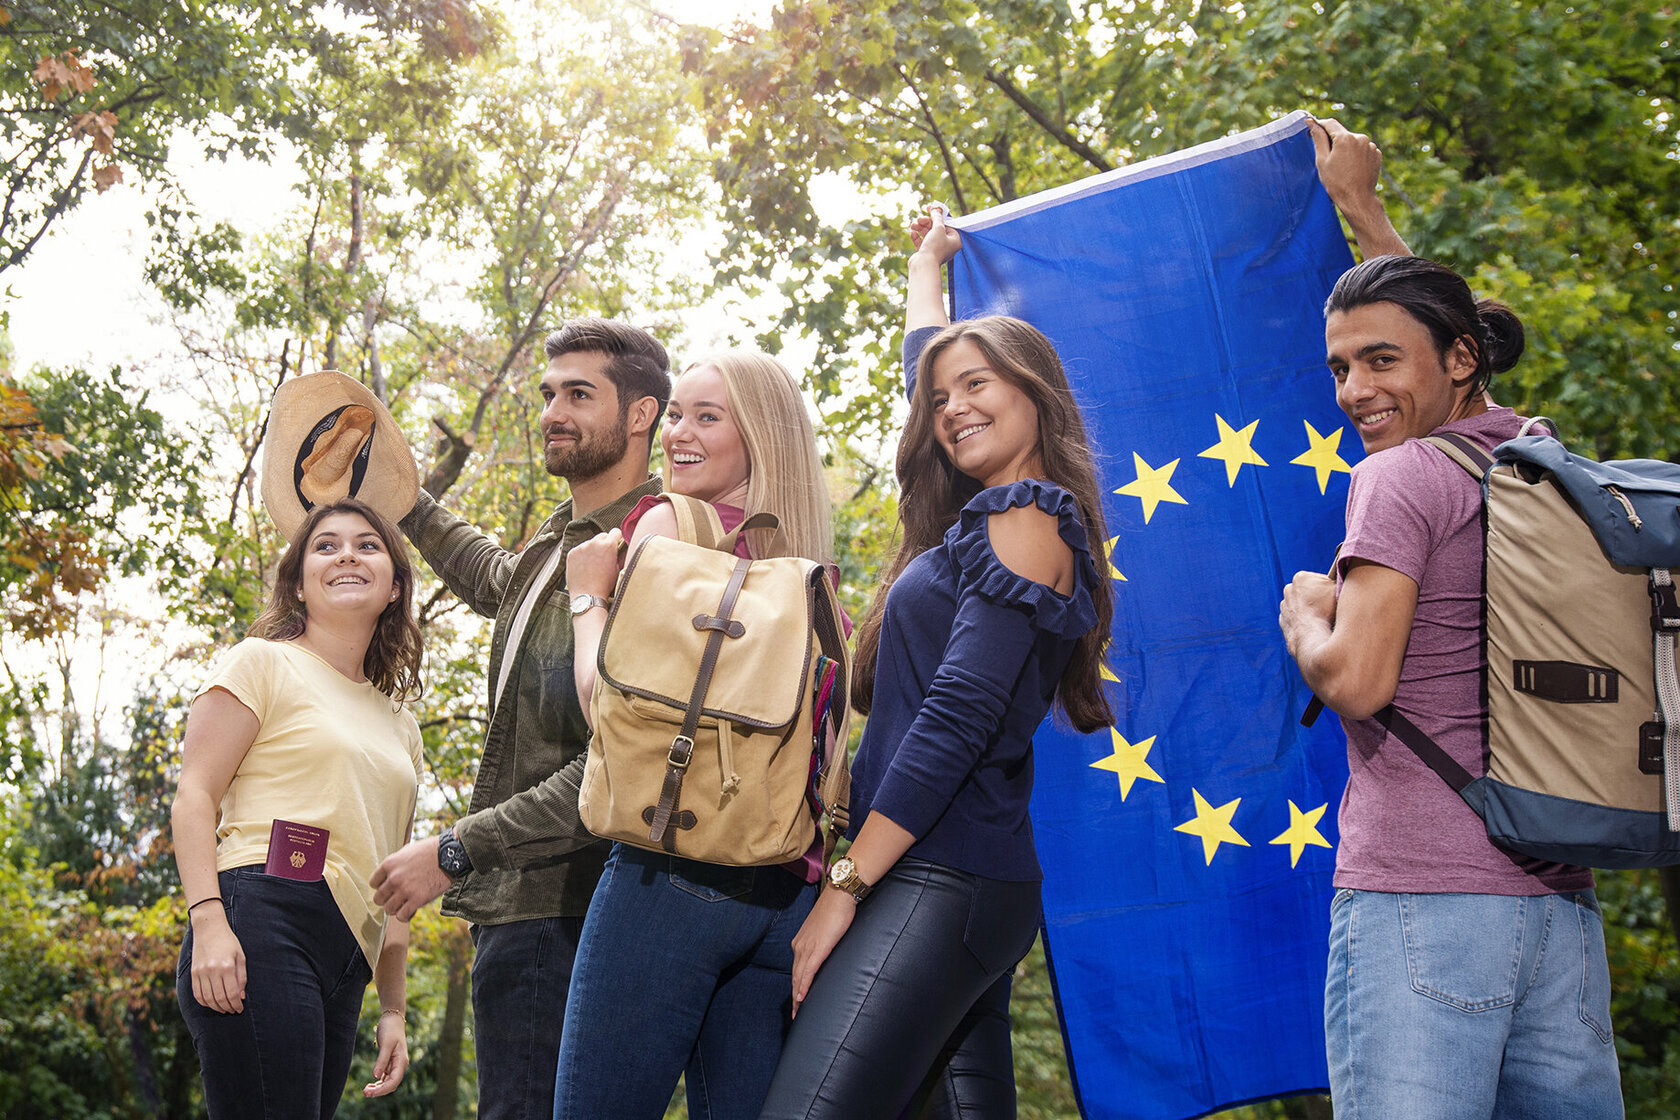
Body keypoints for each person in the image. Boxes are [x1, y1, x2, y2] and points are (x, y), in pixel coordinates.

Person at [757, 206, 1115, 1118]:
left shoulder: (1025, 514)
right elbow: (935, 364)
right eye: (941, 397)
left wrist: (844, 888)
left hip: (937, 875)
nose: (954, 408)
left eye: (979, 385)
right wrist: (927, 268)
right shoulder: (972, 523)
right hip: (951, 875)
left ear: (1035, 390)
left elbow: (954, 719)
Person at [1278, 251, 1624, 1118]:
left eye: (1381, 361)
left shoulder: (1398, 476)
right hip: (1561, 909)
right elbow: (1443, 314)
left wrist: (1306, 618)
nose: (1355, 388)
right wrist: (1365, 213)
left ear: (1461, 358)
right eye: (1341, 367)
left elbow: (1356, 682)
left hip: (1419, 903)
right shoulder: (1543, 462)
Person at [368, 319, 670, 1120]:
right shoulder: (563, 541)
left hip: (567, 907)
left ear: (641, 416)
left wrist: (458, 849)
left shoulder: (654, 548)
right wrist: (404, 499)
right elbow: (500, 580)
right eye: (547, 394)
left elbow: (621, 757)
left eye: (579, 394)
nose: (552, 411)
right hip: (521, 909)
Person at [549, 350, 837, 1120]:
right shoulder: (809, 574)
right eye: (676, 413)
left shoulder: (668, 525)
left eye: (707, 417)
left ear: (760, 438)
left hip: (671, 875)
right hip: (787, 895)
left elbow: (606, 709)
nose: (678, 433)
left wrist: (586, 602)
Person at [172, 496, 424, 1119]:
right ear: (300, 583)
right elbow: (194, 794)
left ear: (394, 586)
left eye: (368, 545)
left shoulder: (402, 725)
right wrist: (208, 922)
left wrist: (392, 1010)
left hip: (348, 958)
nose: (347, 554)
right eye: (326, 545)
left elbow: (395, 880)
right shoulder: (262, 661)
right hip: (261, 913)